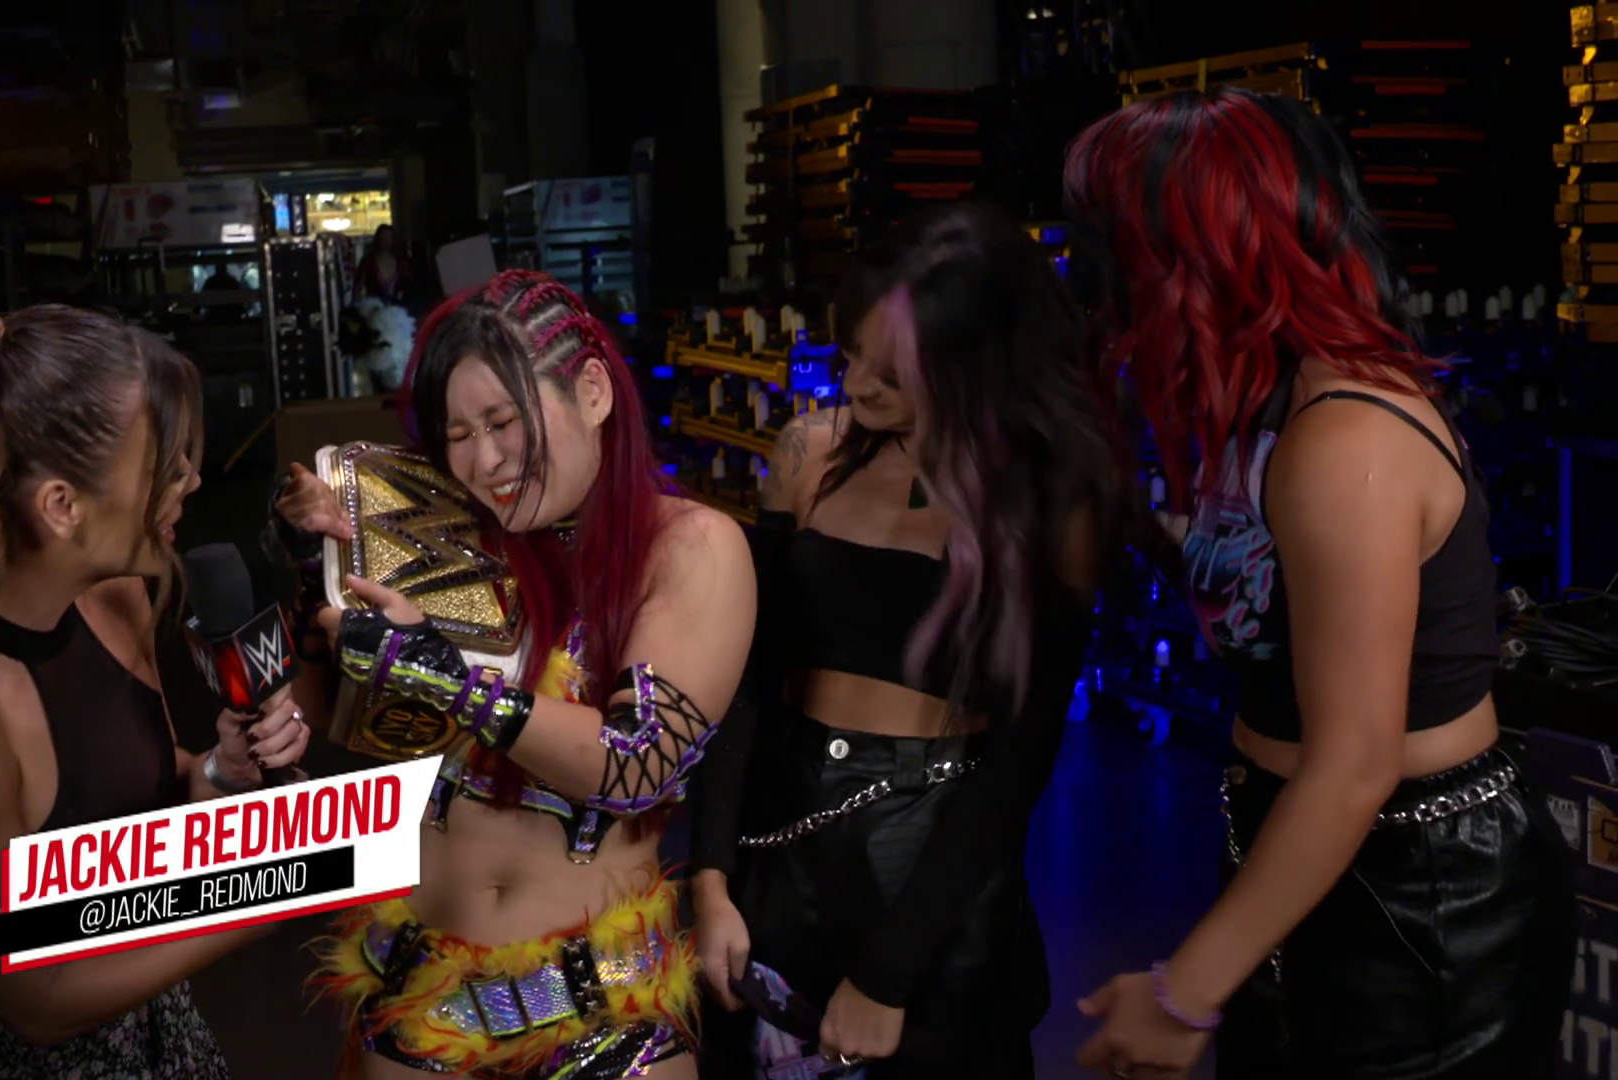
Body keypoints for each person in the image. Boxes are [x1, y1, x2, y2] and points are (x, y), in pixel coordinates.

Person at [1063, 87, 1575, 1079]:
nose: (1100, 275)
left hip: (1425, 897)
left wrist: (1182, 992)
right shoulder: (1271, 407)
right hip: (1300, 853)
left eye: (1116, 240)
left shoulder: (1347, 439)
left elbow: (1353, 763)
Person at [0, 285, 313, 1078]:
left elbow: (134, 801)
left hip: (171, 1046)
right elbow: (36, 998)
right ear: (61, 506)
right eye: (162, 464)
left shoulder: (118, 599)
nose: (191, 481)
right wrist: (271, 891)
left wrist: (221, 773)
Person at [276, 268, 754, 1078]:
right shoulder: (443, 534)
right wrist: (319, 584)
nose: (484, 460)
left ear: (593, 391)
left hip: (602, 1014)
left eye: (503, 421)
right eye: (456, 434)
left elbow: (635, 761)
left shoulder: (689, 547)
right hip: (413, 993)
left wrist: (448, 678)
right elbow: (343, 719)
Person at [691, 202, 1117, 1078]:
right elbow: (748, 685)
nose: (856, 385)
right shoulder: (809, 452)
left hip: (936, 854)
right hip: (783, 835)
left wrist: (889, 974)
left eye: (891, 372)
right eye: (850, 353)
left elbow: (1022, 755)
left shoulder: (1048, 497)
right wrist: (709, 878)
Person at [357, 224, 411, 305]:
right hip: (373, 306)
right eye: (383, 237)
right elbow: (358, 287)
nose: (385, 241)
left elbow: (409, 286)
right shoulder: (368, 261)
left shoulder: (401, 263)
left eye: (388, 238)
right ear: (377, 239)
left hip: (397, 307)